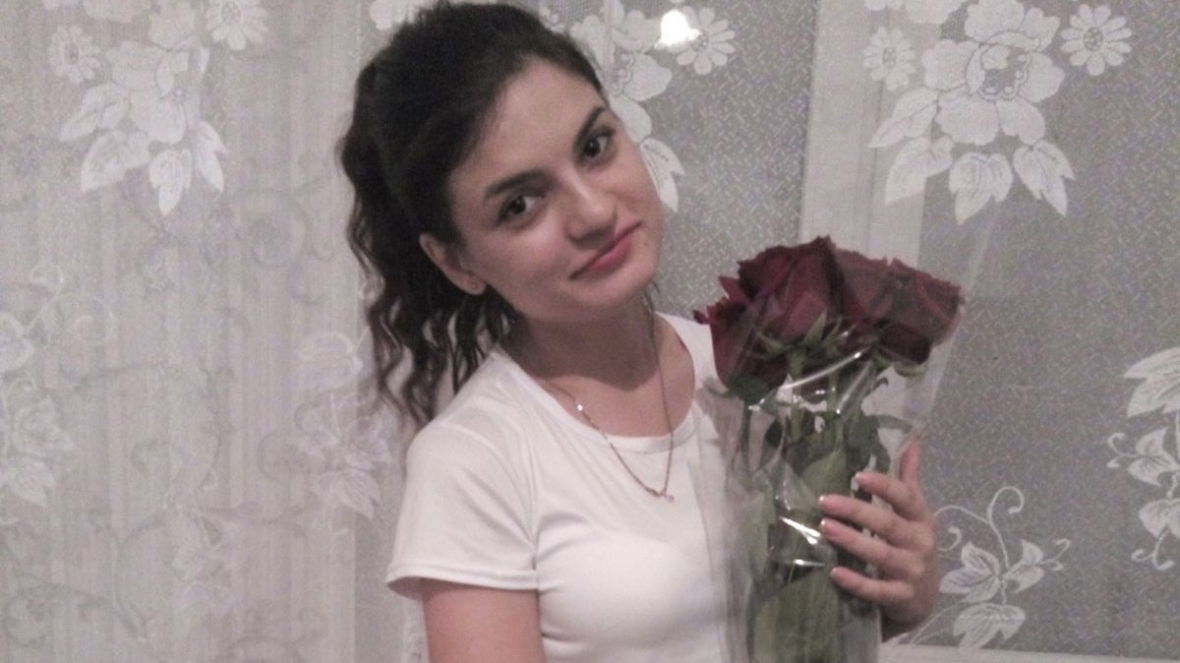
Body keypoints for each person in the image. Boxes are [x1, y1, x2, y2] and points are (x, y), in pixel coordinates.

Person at [339, 3, 938, 662]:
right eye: (520, 204)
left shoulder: (758, 372)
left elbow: (792, 633)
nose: (594, 212)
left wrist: (893, 598)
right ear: (457, 260)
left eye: (595, 147)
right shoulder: (475, 459)